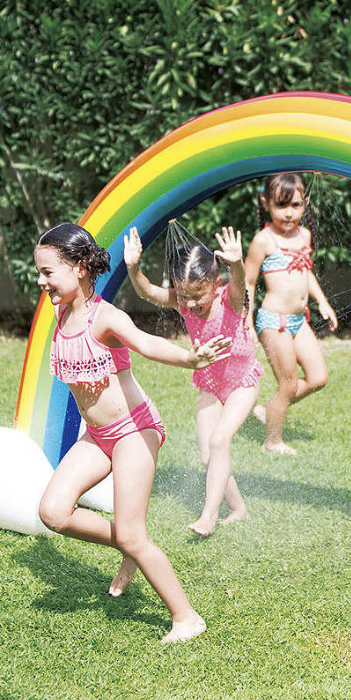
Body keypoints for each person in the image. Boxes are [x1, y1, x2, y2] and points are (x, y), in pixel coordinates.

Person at [33, 222, 231, 643]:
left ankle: (186, 617)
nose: (41, 280)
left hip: (133, 431)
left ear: (81, 268)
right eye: (40, 271)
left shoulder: (105, 318)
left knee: (131, 531)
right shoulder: (60, 309)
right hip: (98, 434)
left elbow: (145, 343)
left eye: (49, 272)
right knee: (53, 512)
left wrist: (190, 359)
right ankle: (130, 545)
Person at [125, 225, 260, 537]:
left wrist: (237, 264)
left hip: (242, 381)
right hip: (210, 382)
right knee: (206, 456)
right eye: (184, 295)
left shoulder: (230, 300)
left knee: (218, 440)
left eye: (198, 295)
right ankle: (239, 509)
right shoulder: (181, 300)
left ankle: (209, 516)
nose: (191, 303)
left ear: (215, 284)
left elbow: (239, 284)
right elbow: (147, 291)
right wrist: (134, 268)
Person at [244, 173, 337, 455]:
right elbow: (248, 282)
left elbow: (304, 271)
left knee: (319, 377)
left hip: (299, 320)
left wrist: (322, 300)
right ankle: (272, 442)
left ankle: (269, 409)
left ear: (305, 202)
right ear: (266, 202)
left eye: (296, 205)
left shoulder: (304, 235)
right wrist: (247, 323)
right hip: (274, 322)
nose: (289, 213)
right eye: (281, 205)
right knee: (288, 383)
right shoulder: (263, 240)